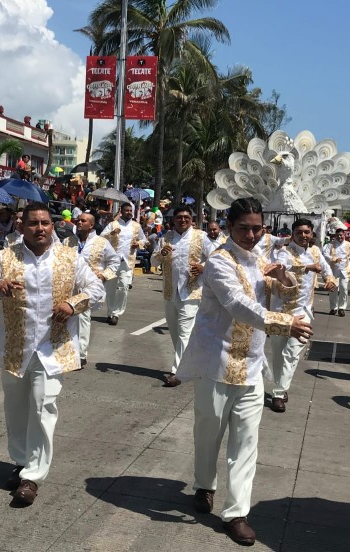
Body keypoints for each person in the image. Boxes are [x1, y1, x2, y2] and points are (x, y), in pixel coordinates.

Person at [177, 198, 311, 546]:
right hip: (216, 363)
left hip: (251, 366)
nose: (251, 234)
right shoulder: (218, 262)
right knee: (208, 433)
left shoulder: (259, 260)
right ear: (228, 226)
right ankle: (204, 484)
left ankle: (236, 513)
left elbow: (282, 290)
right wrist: (284, 323)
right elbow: (238, 304)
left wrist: (284, 277)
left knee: (247, 441)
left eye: (257, 228)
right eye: (244, 228)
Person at [0, 202, 105, 505]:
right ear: (21, 227)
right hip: (15, 346)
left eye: (45, 223)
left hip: (51, 348)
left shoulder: (70, 258)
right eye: (33, 223)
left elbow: (96, 289)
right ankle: (21, 462)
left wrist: (74, 303)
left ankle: (32, 477)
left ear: (53, 225)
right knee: (16, 409)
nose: (40, 228)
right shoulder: (5, 257)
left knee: (43, 407)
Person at [268, 218, 336, 412]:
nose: (304, 236)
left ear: (312, 234)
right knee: (278, 354)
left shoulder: (315, 252)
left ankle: (279, 393)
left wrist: (330, 279)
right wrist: (305, 268)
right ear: (293, 234)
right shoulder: (284, 251)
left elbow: (326, 268)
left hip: (304, 311)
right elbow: (279, 268)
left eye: (307, 232)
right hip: (281, 310)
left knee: (292, 353)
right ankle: (281, 385)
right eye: (299, 232)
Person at [151, 205, 216, 386]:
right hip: (170, 292)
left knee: (185, 331)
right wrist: (161, 255)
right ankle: (191, 363)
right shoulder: (166, 238)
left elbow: (216, 258)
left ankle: (177, 371)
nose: (183, 220)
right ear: (173, 220)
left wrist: (203, 267)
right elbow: (153, 261)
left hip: (192, 291)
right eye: (179, 217)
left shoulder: (200, 237)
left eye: (186, 217)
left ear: (192, 219)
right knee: (175, 331)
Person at [75, 213, 119, 367]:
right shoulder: (68, 241)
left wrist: (103, 275)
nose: (79, 222)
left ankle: (81, 354)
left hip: (88, 286)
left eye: (83, 220)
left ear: (91, 225)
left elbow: (114, 261)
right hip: (70, 285)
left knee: (83, 317)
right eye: (78, 220)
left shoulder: (102, 242)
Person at [100, 202, 147, 325]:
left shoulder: (136, 226)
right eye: (127, 210)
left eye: (130, 210)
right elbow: (100, 239)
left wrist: (139, 244)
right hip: (112, 261)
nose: (129, 212)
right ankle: (110, 312)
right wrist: (111, 234)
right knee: (110, 289)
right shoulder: (113, 225)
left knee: (123, 287)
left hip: (127, 261)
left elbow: (144, 240)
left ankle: (116, 313)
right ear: (121, 211)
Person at [323, 228, 350, 316]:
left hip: (345, 269)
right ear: (335, 236)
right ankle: (333, 308)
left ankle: (342, 308)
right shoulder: (331, 245)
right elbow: (325, 254)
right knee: (333, 289)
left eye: (341, 235)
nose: (340, 237)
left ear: (344, 235)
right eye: (338, 235)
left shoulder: (348, 245)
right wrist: (334, 259)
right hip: (334, 269)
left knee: (344, 289)